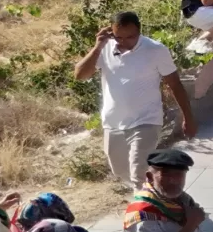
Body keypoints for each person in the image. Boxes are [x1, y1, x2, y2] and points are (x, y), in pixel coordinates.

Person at [73, 12, 194, 189]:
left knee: (139, 174)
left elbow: (175, 84)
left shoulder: (156, 50)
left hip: (146, 120)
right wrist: (98, 46)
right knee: (121, 171)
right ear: (111, 33)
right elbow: (80, 75)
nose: (125, 42)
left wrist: (188, 117)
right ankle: (161, 195)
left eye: (131, 37)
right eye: (119, 37)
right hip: (113, 123)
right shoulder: (105, 48)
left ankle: (144, 212)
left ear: (139, 31)